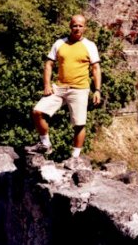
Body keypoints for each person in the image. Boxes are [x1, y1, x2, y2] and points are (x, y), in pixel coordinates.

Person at [28, 14, 102, 160]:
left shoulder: (90, 45)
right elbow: (49, 64)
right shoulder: (59, 43)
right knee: (38, 111)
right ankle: (45, 144)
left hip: (79, 89)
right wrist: (47, 85)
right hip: (59, 88)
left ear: (85, 28)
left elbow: (96, 69)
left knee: (79, 124)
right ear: (70, 26)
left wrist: (97, 90)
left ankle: (75, 157)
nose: (77, 28)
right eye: (75, 25)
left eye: (80, 26)